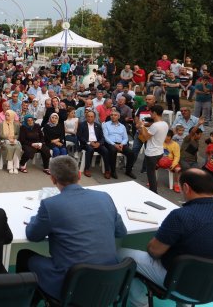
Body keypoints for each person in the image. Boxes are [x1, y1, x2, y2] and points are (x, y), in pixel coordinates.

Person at [118, 168, 213, 307]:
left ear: (186, 187)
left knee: (124, 255)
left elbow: (154, 251)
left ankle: (139, 304)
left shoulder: (181, 216)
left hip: (180, 285)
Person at [24, 156, 126, 299]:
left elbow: (32, 235)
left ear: (53, 179)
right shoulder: (104, 197)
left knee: (25, 256)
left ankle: (29, 300)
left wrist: (35, 218)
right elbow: (121, 232)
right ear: (79, 175)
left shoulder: (50, 205)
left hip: (72, 287)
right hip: (109, 285)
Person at [138, 105, 168, 193]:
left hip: (152, 153)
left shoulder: (155, 125)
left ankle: (153, 192)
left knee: (151, 175)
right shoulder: (165, 124)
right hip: (159, 152)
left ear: (154, 113)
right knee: (152, 173)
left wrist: (142, 126)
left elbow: (146, 137)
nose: (149, 114)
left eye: (150, 112)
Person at [102, 110, 136, 179]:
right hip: (110, 143)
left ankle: (128, 171)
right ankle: (113, 171)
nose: (113, 116)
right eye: (111, 115)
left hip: (121, 144)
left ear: (118, 117)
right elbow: (106, 137)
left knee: (131, 153)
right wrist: (114, 145)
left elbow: (125, 138)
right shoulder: (106, 124)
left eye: (115, 115)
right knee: (113, 150)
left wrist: (121, 144)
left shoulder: (122, 126)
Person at [77, 110, 109, 178]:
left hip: (96, 143)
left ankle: (107, 170)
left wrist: (99, 143)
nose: (90, 118)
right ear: (86, 117)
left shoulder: (98, 125)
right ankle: (87, 169)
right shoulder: (82, 125)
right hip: (86, 143)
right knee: (90, 149)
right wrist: (89, 143)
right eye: (88, 116)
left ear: (94, 118)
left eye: (91, 117)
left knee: (105, 151)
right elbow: (79, 136)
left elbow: (102, 137)